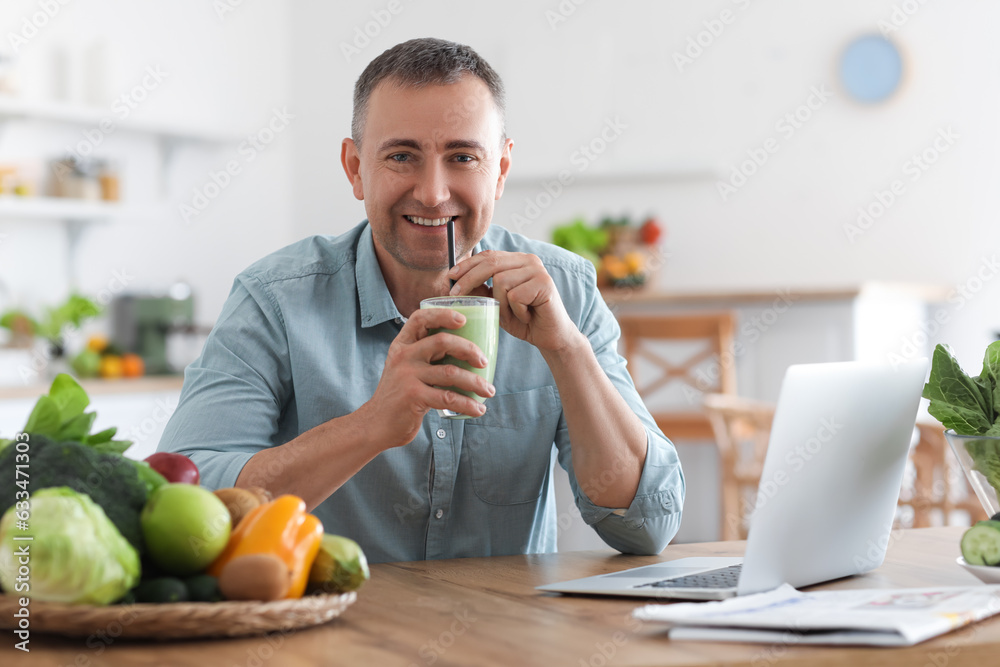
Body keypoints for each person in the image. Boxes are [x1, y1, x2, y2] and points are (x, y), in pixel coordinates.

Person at [157, 37, 684, 563]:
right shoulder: (273, 300)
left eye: (463, 157)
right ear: (355, 168)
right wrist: (372, 425)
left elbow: (646, 526)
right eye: (402, 156)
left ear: (499, 171)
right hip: (326, 636)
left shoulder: (564, 291)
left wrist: (568, 352)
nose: (433, 192)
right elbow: (186, 506)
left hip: (508, 640)